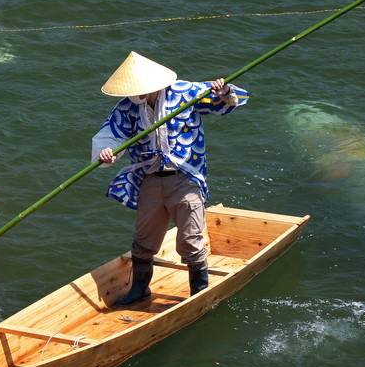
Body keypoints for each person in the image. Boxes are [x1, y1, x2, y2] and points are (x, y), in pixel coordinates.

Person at [91, 51, 249, 305]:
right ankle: (140, 288)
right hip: (150, 178)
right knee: (143, 239)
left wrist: (225, 91)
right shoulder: (128, 105)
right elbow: (110, 137)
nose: (135, 94)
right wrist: (107, 154)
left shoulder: (186, 92)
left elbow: (233, 99)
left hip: (185, 176)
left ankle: (199, 291)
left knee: (190, 239)